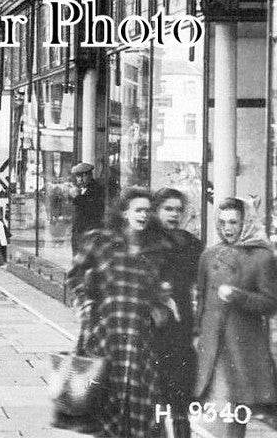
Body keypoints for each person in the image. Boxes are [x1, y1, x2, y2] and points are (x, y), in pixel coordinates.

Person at [67, 187, 168, 438]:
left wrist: (161, 305)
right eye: (139, 210)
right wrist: (84, 302)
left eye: (148, 211)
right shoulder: (100, 241)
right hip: (105, 335)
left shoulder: (156, 250)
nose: (144, 215)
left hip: (139, 339)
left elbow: (160, 291)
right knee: (104, 408)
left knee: (139, 407)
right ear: (124, 212)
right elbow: (75, 274)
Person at [194, 198, 277, 438]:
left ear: (245, 223)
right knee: (216, 412)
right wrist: (196, 334)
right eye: (222, 223)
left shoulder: (262, 257)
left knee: (232, 413)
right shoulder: (209, 256)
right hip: (212, 346)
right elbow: (201, 298)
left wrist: (239, 296)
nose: (227, 228)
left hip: (242, 348)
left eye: (233, 222)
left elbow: (271, 303)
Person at [152, 188, 202, 438]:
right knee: (154, 408)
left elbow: (201, 284)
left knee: (181, 407)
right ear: (156, 210)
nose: (174, 214)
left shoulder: (191, 244)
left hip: (182, 334)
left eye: (178, 209)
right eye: (168, 209)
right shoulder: (144, 242)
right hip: (152, 334)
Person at [70, 162, 104, 253]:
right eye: (77, 177)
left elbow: (91, 208)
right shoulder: (81, 189)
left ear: (88, 175)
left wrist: (77, 197)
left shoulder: (96, 189)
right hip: (79, 233)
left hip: (89, 233)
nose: (79, 180)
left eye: (82, 176)